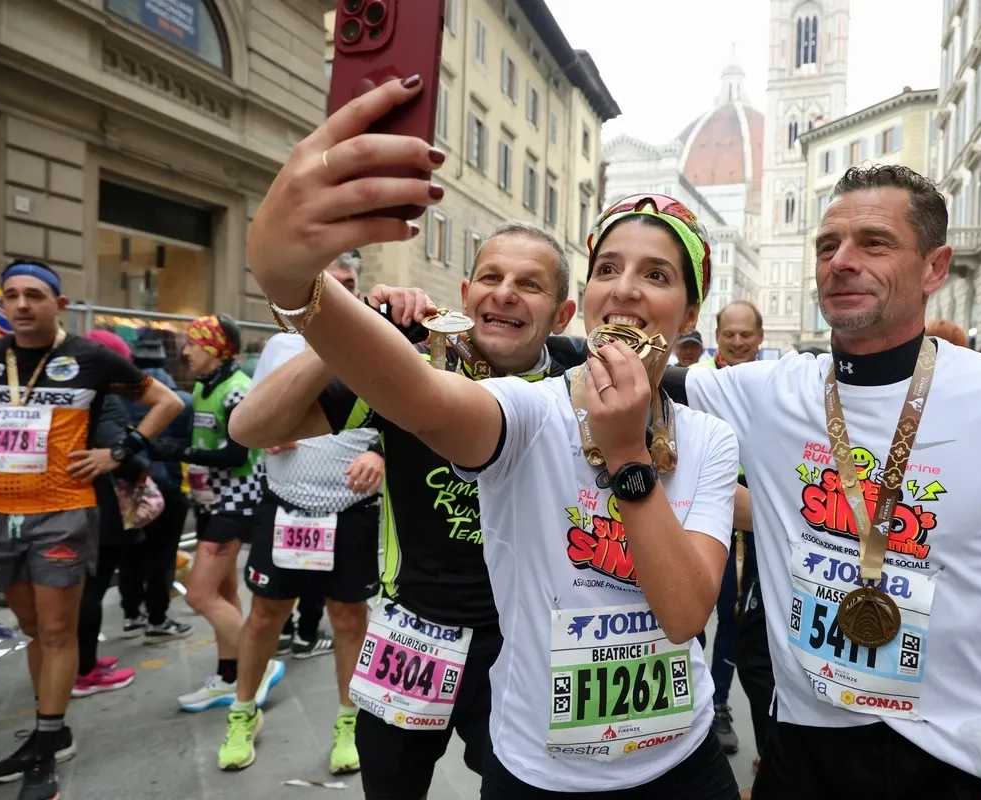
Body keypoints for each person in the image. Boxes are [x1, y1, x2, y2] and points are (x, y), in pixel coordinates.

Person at [243, 77, 742, 797]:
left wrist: (635, 455)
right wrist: (302, 289)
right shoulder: (510, 398)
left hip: (607, 705)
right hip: (427, 637)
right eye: (610, 268)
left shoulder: (666, 412)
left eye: (656, 275)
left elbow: (689, 596)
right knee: (390, 780)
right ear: (467, 293)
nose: (627, 290)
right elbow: (403, 400)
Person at [662, 165, 981, 799]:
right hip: (801, 755)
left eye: (873, 242)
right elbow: (627, 376)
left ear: (935, 267)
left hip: (962, 766)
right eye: (828, 246)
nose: (842, 261)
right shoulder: (770, 390)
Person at [230, 220, 586, 798]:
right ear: (466, 295)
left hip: (528, 641)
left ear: (562, 314)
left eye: (530, 284)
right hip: (414, 635)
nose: (505, 292)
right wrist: (357, 331)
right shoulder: (408, 364)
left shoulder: (583, 372)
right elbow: (250, 427)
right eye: (491, 277)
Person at [0, 260, 182, 800]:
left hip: (64, 509)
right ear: (1, 304)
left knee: (58, 630)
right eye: (12, 296)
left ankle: (44, 751)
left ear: (58, 305)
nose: (21, 305)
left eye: (35, 296)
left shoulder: (88, 357)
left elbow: (166, 401)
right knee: (30, 628)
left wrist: (121, 451)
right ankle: (53, 727)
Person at [215, 252, 384, 774]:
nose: (337, 294)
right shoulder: (280, 347)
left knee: (349, 617)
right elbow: (254, 418)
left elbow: (401, 420)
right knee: (265, 613)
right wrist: (266, 437)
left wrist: (379, 452)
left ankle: (348, 722)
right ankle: (243, 713)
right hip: (286, 506)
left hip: (351, 507)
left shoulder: (377, 345)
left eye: (348, 284)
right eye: (326, 285)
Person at [160, 315, 282, 713]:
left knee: (198, 594)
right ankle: (229, 676)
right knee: (224, 594)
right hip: (210, 501)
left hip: (237, 503)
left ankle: (257, 666)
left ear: (214, 348)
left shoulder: (237, 389)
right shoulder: (203, 384)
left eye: (194, 343)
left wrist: (180, 452)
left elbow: (236, 453)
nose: (185, 351)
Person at [691, 299, 766, 756]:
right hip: (707, 520)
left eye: (746, 335)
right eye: (729, 334)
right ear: (716, 336)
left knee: (743, 622)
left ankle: (719, 703)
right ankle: (696, 703)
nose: (738, 342)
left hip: (758, 528)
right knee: (696, 612)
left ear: (759, 338)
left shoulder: (777, 389)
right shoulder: (697, 383)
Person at [72, 330, 149, 698]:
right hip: (102, 507)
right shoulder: (106, 398)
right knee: (92, 590)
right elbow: (117, 450)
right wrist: (133, 462)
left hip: (77, 501)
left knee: (85, 590)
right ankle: (84, 669)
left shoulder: (76, 393)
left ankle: (81, 662)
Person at [122, 336, 195, 643]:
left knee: (131, 551)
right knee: (162, 555)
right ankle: (157, 618)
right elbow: (189, 442)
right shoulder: (182, 400)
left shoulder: (118, 398)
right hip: (168, 484)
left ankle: (131, 614)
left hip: (130, 483)